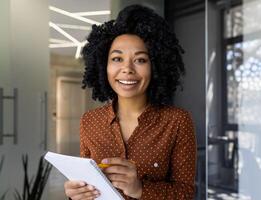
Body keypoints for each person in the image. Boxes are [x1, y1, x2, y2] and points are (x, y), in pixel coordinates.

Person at [64, 4, 197, 200]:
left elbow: (185, 193)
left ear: (156, 67)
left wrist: (140, 189)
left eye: (140, 60)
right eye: (117, 58)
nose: (127, 69)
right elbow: (89, 184)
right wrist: (77, 193)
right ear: (103, 65)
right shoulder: (89, 121)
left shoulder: (177, 121)